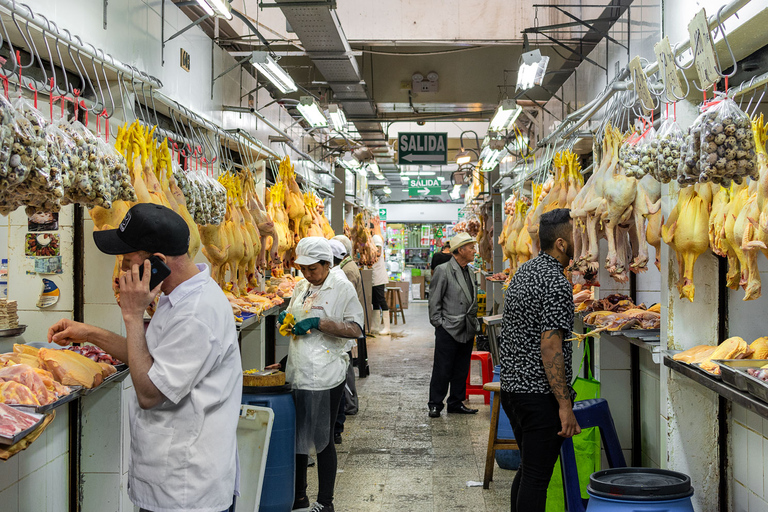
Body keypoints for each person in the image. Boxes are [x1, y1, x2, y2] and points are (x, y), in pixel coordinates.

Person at [47, 203, 241, 512]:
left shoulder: (196, 315)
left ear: (158, 262)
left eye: (127, 261)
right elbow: (148, 360)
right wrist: (90, 333)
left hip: (187, 491)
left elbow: (150, 392)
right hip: (171, 480)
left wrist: (133, 315)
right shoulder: (177, 297)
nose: (123, 271)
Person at [499, 208, 580, 512]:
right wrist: (564, 406)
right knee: (536, 479)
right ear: (561, 244)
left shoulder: (525, 271)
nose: (581, 240)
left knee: (528, 471)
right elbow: (551, 347)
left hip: (514, 392)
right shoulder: (556, 283)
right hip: (539, 397)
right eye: (576, 235)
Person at [279, 237, 364, 512]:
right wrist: (288, 322)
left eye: (312, 269)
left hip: (326, 374)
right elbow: (297, 319)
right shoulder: (302, 286)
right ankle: (299, 497)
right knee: (298, 438)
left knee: (323, 439)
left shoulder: (341, 287)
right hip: (299, 370)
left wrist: (320, 323)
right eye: (302, 268)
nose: (307, 274)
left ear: (327, 264)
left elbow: (356, 329)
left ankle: (325, 502)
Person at [427, 232, 481, 418]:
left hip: (466, 326)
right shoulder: (443, 270)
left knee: (461, 368)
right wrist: (439, 324)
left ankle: (456, 402)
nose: (474, 251)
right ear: (461, 250)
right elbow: (434, 300)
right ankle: (435, 403)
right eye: (471, 247)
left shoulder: (471, 270)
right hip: (448, 327)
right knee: (443, 368)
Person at [328, 238, 360, 445]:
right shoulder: (339, 274)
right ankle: (336, 425)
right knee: (341, 381)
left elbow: (354, 324)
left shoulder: (340, 279)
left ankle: (337, 427)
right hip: (335, 342)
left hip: (337, 341)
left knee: (340, 383)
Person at [370, 234, 390, 335]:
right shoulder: (372, 239)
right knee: (374, 302)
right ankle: (375, 326)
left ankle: (387, 327)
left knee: (381, 300)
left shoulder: (376, 239)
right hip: (373, 276)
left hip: (379, 276)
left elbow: (378, 253)